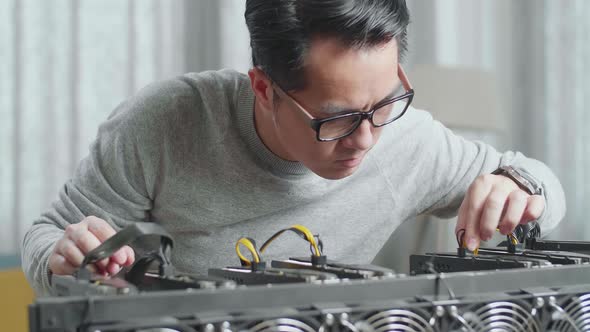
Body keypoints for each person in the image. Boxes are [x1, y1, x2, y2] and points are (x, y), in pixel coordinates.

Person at [22, 0, 565, 295]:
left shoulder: (406, 138)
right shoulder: (166, 122)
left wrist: (519, 186)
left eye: (383, 104)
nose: (366, 139)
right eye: (336, 119)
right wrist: (65, 257)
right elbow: (49, 236)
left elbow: (543, 184)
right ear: (263, 87)